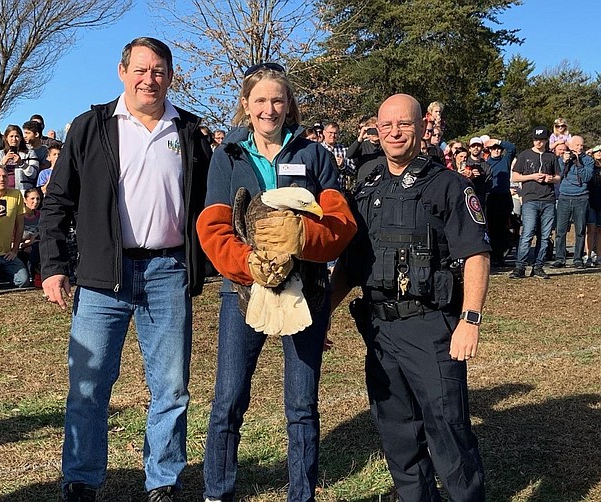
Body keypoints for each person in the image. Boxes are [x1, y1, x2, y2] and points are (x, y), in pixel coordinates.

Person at [38, 37, 212, 502]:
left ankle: (163, 481)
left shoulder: (190, 132)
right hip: (101, 278)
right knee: (89, 387)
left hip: (167, 271)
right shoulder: (91, 126)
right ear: (121, 72)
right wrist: (54, 265)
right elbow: (58, 200)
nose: (148, 79)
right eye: (139, 70)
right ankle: (81, 479)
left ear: (170, 76)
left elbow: (208, 209)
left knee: (171, 388)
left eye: (158, 71)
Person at [196, 63, 356, 502]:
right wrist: (247, 264)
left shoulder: (315, 155)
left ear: (290, 106)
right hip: (243, 291)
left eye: (278, 100)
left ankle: (302, 495)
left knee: (302, 405)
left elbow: (341, 222)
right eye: (261, 100)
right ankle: (217, 491)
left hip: (306, 292)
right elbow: (211, 226)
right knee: (228, 398)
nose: (269, 109)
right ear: (246, 105)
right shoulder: (227, 155)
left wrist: (306, 238)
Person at [330, 93, 490, 502]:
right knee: (397, 432)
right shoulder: (367, 188)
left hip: (431, 326)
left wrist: (470, 320)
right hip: (380, 330)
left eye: (404, 125)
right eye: (387, 126)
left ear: (422, 128)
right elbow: (351, 264)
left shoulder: (450, 185)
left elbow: (476, 253)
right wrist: (322, 312)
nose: (395, 133)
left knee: (447, 429)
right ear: (376, 131)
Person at [509, 127, 559, 279]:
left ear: (546, 140)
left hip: (548, 199)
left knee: (544, 236)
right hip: (530, 199)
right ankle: (520, 267)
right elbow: (515, 177)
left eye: (542, 139)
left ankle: (538, 266)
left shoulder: (551, 157)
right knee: (527, 233)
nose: (539, 142)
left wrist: (551, 179)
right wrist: (532, 177)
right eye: (536, 139)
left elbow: (558, 176)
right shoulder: (525, 155)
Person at [551, 135, 594, 269]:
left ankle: (578, 258)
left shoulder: (588, 160)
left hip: (581, 198)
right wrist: (564, 161)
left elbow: (586, 177)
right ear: (570, 146)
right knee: (561, 230)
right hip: (564, 197)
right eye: (576, 145)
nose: (579, 148)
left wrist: (578, 163)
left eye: (581, 145)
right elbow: (558, 175)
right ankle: (560, 258)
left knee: (580, 230)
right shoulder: (562, 159)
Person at [484, 137, 517, 266]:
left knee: (503, 228)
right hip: (491, 197)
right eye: (494, 149)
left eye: (498, 149)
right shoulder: (486, 163)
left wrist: (497, 142)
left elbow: (512, 148)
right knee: (491, 228)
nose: (496, 151)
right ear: (490, 151)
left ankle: (501, 256)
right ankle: (492, 256)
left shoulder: (505, 160)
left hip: (504, 197)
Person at [0, 124, 39, 192]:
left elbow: (34, 174)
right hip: (3, 192)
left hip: (22, 191)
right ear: (6, 138)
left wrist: (21, 163)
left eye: (17, 136)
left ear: (21, 138)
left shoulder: (29, 153)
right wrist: (3, 162)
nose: (14, 139)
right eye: (11, 136)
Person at [321, 121, 356, 191]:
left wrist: (343, 165)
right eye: (330, 133)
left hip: (340, 190)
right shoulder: (319, 149)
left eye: (335, 133)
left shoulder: (344, 150)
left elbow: (353, 171)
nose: (333, 136)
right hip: (322, 190)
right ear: (324, 133)